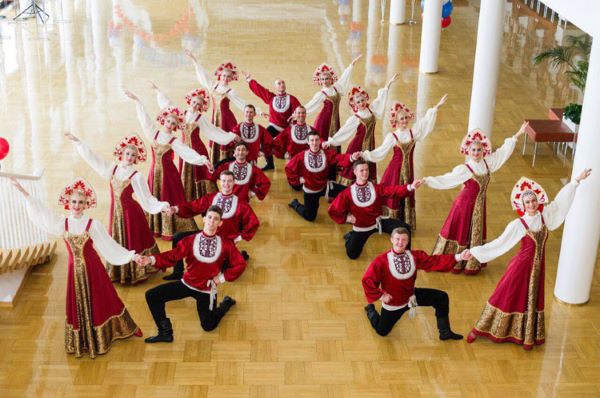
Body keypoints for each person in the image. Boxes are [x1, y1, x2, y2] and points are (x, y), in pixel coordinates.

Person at [9, 177, 142, 358]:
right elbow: (42, 213)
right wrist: (24, 192)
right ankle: (85, 340)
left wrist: (131, 255)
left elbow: (109, 245)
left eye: (81, 202)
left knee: (105, 299)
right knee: (79, 303)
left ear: (86, 203)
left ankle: (125, 327)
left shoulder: (92, 225)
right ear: (67, 202)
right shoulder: (62, 223)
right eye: (73, 202)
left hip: (94, 270)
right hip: (74, 273)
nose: (77, 205)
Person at [466, 169, 591, 350]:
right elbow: (500, 243)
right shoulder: (519, 224)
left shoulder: (545, 216)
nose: (531, 204)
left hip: (538, 268)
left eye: (533, 200)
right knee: (504, 294)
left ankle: (526, 335)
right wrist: (475, 252)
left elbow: (561, 203)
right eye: (527, 202)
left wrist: (576, 181)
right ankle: (479, 329)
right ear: (522, 205)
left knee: (530, 299)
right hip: (520, 266)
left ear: (538, 201)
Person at [424, 123, 528, 274]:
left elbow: (503, 153)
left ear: (483, 151)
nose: (476, 153)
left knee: (473, 232)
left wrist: (518, 133)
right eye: (473, 150)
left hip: (478, 206)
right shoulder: (466, 169)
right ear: (468, 151)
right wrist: (428, 180)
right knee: (459, 231)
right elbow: (447, 178)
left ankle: (470, 263)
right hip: (464, 205)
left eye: (479, 150)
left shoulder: (487, 163)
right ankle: (451, 262)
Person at [66, 133, 167, 284]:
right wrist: (79, 143)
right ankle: (120, 271)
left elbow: (146, 197)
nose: (130, 157)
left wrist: (161, 206)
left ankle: (135, 271)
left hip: (131, 214)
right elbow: (95, 160)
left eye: (133, 155)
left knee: (134, 240)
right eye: (127, 153)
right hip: (116, 213)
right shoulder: (112, 169)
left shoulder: (136, 176)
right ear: (122, 153)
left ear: (136, 158)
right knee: (117, 240)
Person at [136, 205, 247, 343]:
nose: (212, 221)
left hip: (206, 290)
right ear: (204, 219)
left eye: (216, 219)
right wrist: (150, 259)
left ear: (220, 223)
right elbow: (172, 256)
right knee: (152, 295)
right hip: (187, 284)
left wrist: (221, 278)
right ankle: (165, 332)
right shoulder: (189, 241)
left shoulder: (226, 244)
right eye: (210, 217)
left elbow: (241, 264)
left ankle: (225, 305)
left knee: (208, 326)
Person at [124, 89, 213, 240]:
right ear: (163, 120)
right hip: (155, 172)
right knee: (155, 194)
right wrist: (137, 101)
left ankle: (172, 228)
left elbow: (187, 152)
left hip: (169, 175)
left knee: (169, 196)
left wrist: (203, 160)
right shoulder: (154, 133)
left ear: (176, 126)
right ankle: (157, 227)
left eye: (173, 123)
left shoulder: (173, 141)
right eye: (168, 121)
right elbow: (144, 119)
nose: (170, 124)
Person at [362, 227, 469, 339]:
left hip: (411, 297)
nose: (400, 242)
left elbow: (433, 262)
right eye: (397, 239)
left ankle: (445, 332)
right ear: (392, 239)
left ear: (408, 241)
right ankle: (370, 311)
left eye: (404, 240)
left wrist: (459, 257)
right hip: (393, 304)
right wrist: (381, 295)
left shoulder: (415, 256)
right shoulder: (381, 261)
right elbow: (367, 279)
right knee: (382, 331)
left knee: (441, 297)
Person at [361, 94, 447, 229]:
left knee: (407, 190)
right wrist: (366, 155)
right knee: (393, 192)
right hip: (394, 171)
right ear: (396, 120)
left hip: (408, 170)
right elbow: (381, 151)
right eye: (402, 118)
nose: (405, 120)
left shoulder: (413, 133)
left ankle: (404, 221)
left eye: (406, 117)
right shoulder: (393, 136)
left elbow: (424, 123)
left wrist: (436, 107)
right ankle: (389, 223)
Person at [162, 170, 259, 280]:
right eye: (224, 181)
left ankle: (239, 255)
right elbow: (194, 206)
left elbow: (253, 221)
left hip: (225, 242)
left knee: (223, 267)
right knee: (178, 238)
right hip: (207, 235)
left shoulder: (241, 204)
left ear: (234, 182)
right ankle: (178, 271)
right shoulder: (211, 198)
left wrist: (240, 237)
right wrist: (175, 209)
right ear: (220, 181)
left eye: (229, 181)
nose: (226, 184)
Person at [151, 82, 240, 200]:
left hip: (198, 148)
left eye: (198, 104)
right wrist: (158, 91)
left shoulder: (200, 118)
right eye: (194, 102)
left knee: (200, 172)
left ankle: (204, 197)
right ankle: (189, 197)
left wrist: (230, 136)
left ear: (201, 107)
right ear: (190, 101)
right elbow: (168, 105)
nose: (195, 105)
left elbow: (212, 131)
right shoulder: (181, 114)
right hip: (184, 149)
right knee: (186, 172)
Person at [328, 159, 423, 259]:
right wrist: (347, 218)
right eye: (362, 170)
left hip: (378, 223)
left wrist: (410, 187)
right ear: (355, 172)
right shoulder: (347, 193)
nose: (365, 173)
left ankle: (405, 254)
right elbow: (333, 210)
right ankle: (350, 237)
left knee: (405, 228)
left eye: (367, 170)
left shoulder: (376, 188)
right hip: (361, 228)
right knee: (352, 255)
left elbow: (393, 191)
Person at [323, 73, 400, 192]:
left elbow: (380, 99)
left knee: (366, 169)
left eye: (362, 100)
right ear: (354, 104)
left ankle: (363, 192)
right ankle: (341, 193)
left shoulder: (371, 110)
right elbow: (344, 131)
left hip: (369, 146)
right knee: (350, 171)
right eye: (358, 102)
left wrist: (388, 85)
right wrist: (331, 141)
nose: (361, 103)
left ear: (366, 99)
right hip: (357, 146)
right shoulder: (356, 118)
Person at [185, 50, 258, 163]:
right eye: (224, 75)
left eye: (228, 76)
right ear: (220, 75)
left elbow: (241, 103)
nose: (225, 78)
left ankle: (230, 162)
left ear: (231, 78)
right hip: (215, 118)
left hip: (226, 119)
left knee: (227, 139)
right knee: (214, 133)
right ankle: (217, 163)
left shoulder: (230, 91)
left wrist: (258, 111)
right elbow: (203, 76)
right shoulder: (212, 86)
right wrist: (194, 61)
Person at [285, 130, 360, 221]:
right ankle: (295, 204)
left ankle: (348, 214)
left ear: (320, 141)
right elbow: (289, 168)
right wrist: (299, 180)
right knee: (310, 217)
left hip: (325, 187)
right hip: (310, 191)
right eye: (312, 140)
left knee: (346, 192)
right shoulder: (301, 156)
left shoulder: (326, 153)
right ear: (308, 142)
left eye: (317, 140)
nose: (314, 143)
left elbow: (338, 158)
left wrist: (351, 157)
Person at [242, 70, 302, 171]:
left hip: (287, 129)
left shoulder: (292, 99)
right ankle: (270, 163)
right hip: (274, 126)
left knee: (295, 145)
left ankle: (296, 165)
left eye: (283, 83)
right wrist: (249, 80)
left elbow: (299, 110)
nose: (282, 84)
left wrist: (295, 116)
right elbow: (260, 90)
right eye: (279, 83)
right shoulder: (271, 98)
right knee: (265, 139)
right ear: (275, 87)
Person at [303, 55, 362, 142]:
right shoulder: (321, 94)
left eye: (326, 79)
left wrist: (351, 65)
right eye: (322, 79)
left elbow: (344, 78)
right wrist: (296, 114)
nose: (324, 81)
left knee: (333, 140)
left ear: (331, 79)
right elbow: (311, 105)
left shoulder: (336, 88)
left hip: (335, 119)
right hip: (324, 120)